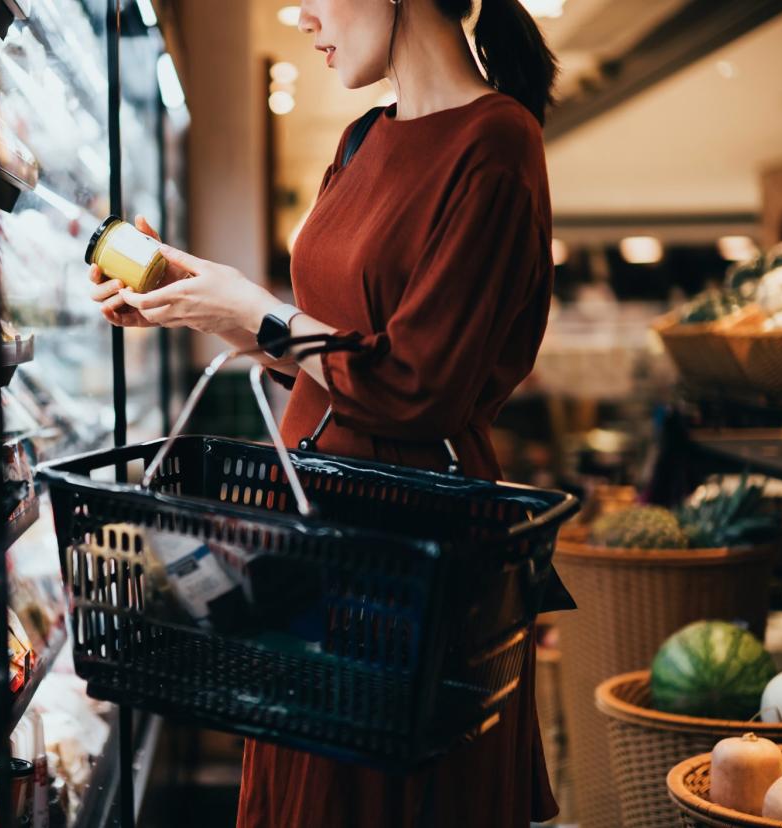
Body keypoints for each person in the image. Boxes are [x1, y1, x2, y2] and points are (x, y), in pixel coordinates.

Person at [89, 0, 558, 824]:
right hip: (314, 537)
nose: (299, 14)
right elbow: (341, 359)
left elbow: (417, 386)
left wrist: (258, 309)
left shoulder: (496, 141)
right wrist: (211, 306)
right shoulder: (361, 139)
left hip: (407, 555)